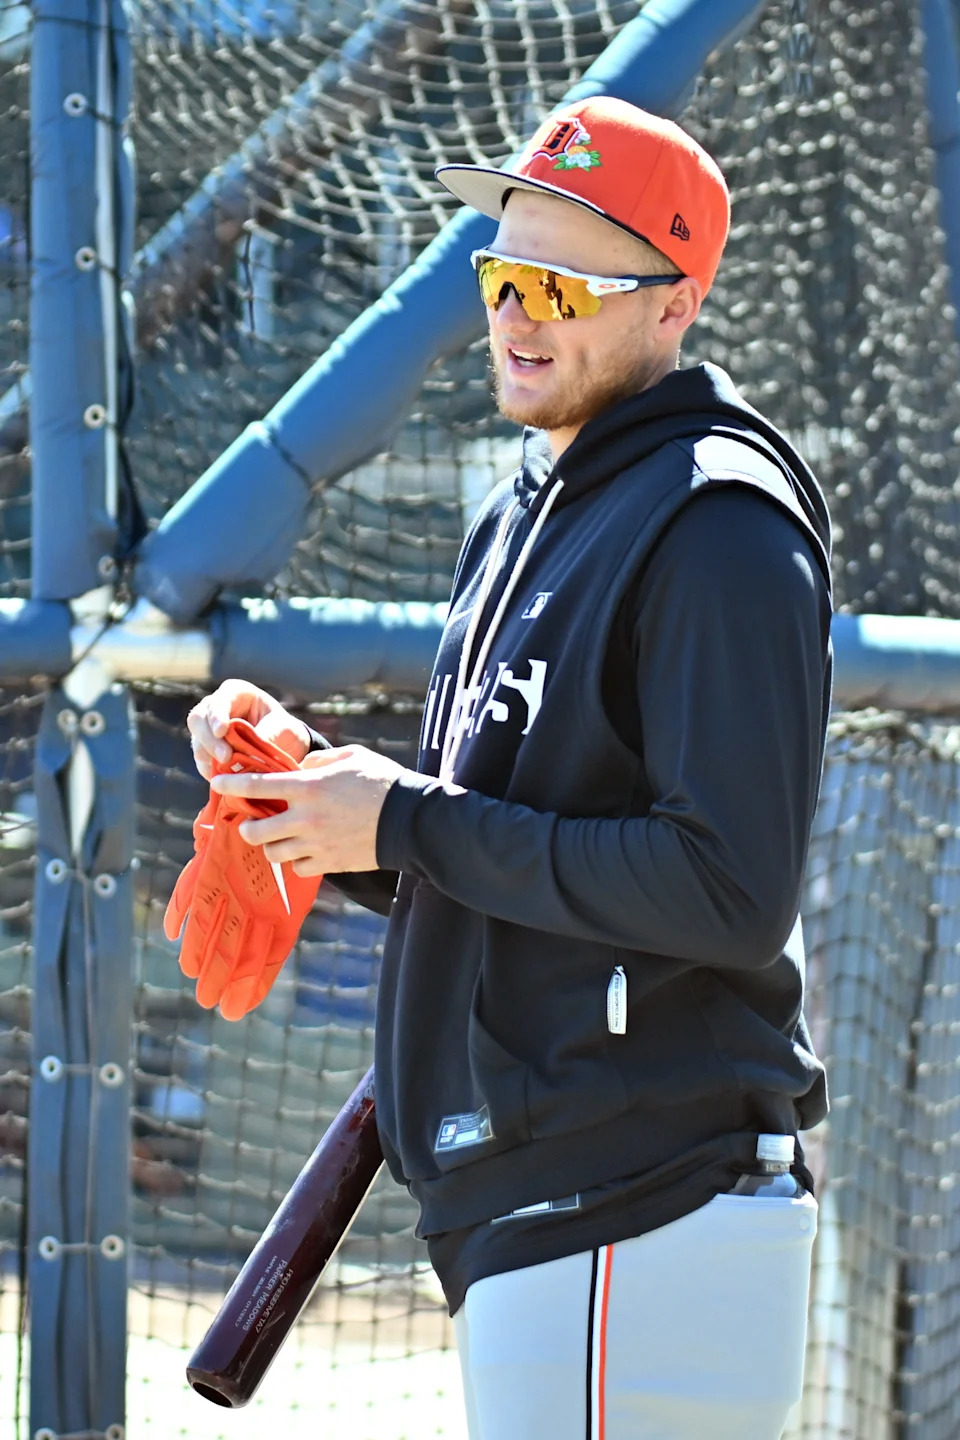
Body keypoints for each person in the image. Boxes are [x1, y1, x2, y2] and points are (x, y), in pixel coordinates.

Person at [187, 97, 832, 1440]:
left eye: (561, 282)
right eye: (501, 273)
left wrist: (409, 819)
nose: (516, 314)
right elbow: (486, 855)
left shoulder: (719, 523)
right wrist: (316, 798)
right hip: (542, 1209)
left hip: (644, 1199)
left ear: (673, 304)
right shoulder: (525, 511)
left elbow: (729, 893)